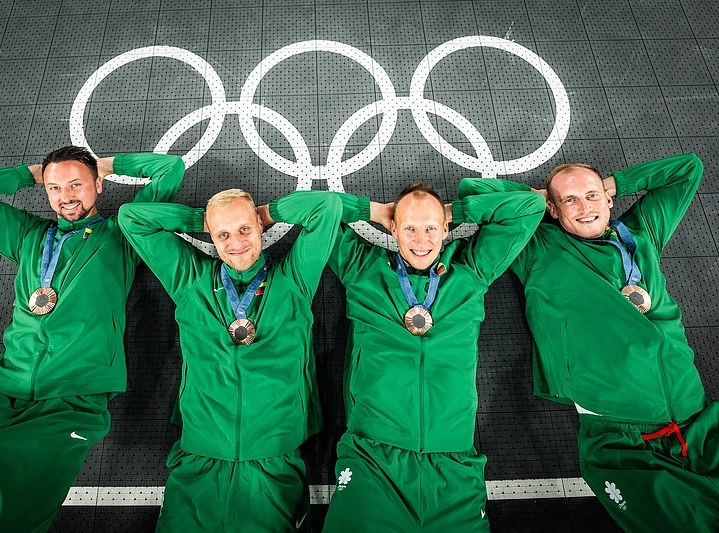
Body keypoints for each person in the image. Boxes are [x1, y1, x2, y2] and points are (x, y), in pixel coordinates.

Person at [0, 147, 184, 533]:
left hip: (70, 402)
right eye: (55, 188)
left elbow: (169, 168)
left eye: (76, 184)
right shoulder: (28, 235)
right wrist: (33, 174)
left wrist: (104, 165)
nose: (66, 196)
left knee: (12, 521)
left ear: (98, 185)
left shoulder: (121, 235)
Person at [492, 153, 717, 531]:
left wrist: (610, 185)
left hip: (696, 419)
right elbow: (480, 192)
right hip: (622, 438)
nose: (584, 208)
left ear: (609, 198)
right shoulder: (539, 245)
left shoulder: (642, 233)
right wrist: (535, 202)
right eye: (570, 200)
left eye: (592, 196)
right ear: (553, 209)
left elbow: (687, 169)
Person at [322, 181, 546, 532]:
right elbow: (316, 209)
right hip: (374, 460)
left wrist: (452, 211)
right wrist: (377, 211)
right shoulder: (361, 268)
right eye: (409, 228)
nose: (421, 240)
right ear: (393, 228)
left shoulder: (471, 270)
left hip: (453, 464)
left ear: (445, 229)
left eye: (430, 228)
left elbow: (528, 207)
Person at [118, 188, 342, 532]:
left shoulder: (294, 280)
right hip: (199, 459)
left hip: (272, 461)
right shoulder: (191, 280)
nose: (236, 243)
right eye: (223, 234)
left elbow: (327, 207)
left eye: (244, 229)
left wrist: (264, 213)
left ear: (259, 226)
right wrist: (205, 220)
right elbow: (132, 218)